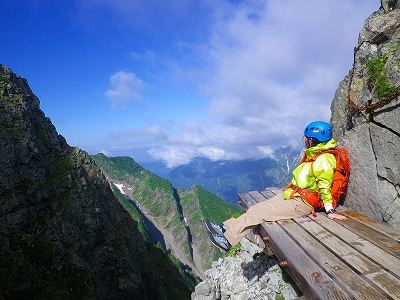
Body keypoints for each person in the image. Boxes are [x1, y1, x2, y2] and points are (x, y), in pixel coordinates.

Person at [205, 121, 348, 252]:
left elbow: (325, 185)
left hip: (303, 203)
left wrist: (329, 210)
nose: (304, 140)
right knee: (255, 208)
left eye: (305, 137)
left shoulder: (324, 159)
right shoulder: (316, 155)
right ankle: (226, 227)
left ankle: (228, 241)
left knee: (259, 214)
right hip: (296, 195)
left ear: (311, 140)